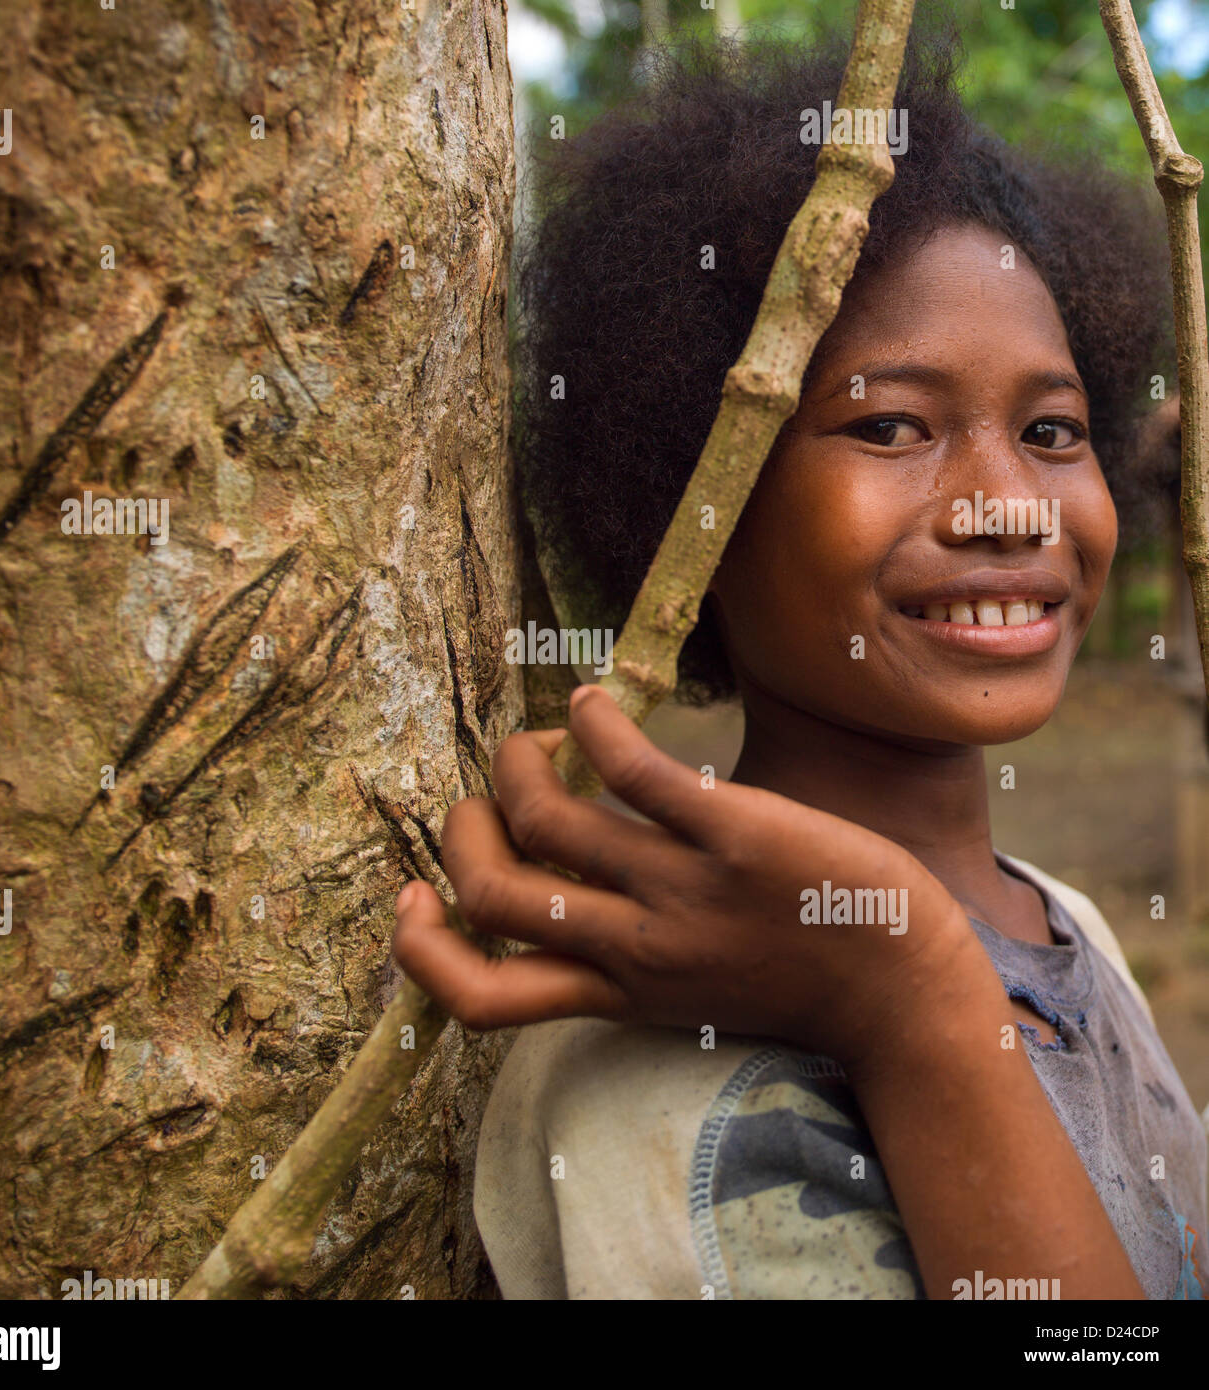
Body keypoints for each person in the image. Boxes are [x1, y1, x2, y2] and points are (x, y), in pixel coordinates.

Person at [391, 24, 1208, 1299]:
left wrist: (911, 981)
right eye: (889, 424)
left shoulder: (1076, 929)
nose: (1007, 504)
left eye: (1053, 430)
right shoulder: (659, 1084)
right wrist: (916, 1003)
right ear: (688, 497)